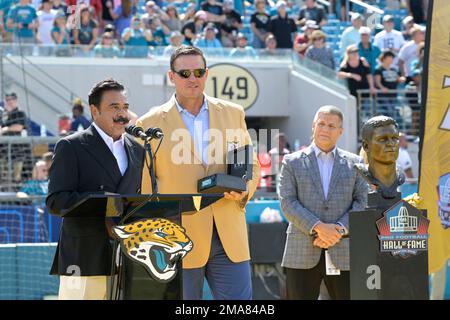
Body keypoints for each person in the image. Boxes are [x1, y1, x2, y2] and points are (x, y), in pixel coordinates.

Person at [135, 46, 260, 300]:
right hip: (177, 239)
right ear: (172, 77)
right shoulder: (148, 124)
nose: (192, 78)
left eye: (199, 71)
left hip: (229, 234)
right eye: (184, 73)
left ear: (206, 74)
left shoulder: (233, 113)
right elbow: (145, 186)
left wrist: (245, 189)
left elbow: (252, 166)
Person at [46, 79, 145, 300]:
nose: (122, 113)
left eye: (125, 107)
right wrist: (101, 203)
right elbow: (56, 201)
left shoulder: (139, 151)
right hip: (84, 258)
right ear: (94, 110)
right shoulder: (71, 146)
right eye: (114, 107)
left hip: (130, 258)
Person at [278, 105, 368, 300]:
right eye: (321, 124)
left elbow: (363, 202)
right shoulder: (291, 161)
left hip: (343, 250)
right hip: (301, 250)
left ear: (341, 131)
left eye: (331, 125)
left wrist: (339, 230)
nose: (325, 129)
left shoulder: (356, 164)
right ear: (313, 126)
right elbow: (287, 202)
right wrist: (318, 227)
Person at [356, 115, 404, 198]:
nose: (391, 143)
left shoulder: (400, 174)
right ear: (366, 146)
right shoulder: (358, 172)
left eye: (394, 138)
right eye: (382, 139)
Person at [0, 92, 29, 183]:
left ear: (16, 100)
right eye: (7, 100)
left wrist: (5, 129)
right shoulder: (4, 114)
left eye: (11, 99)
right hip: (4, 150)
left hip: (17, 151)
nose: (9, 101)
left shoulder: (20, 113)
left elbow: (19, 127)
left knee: (17, 176)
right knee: (4, 176)